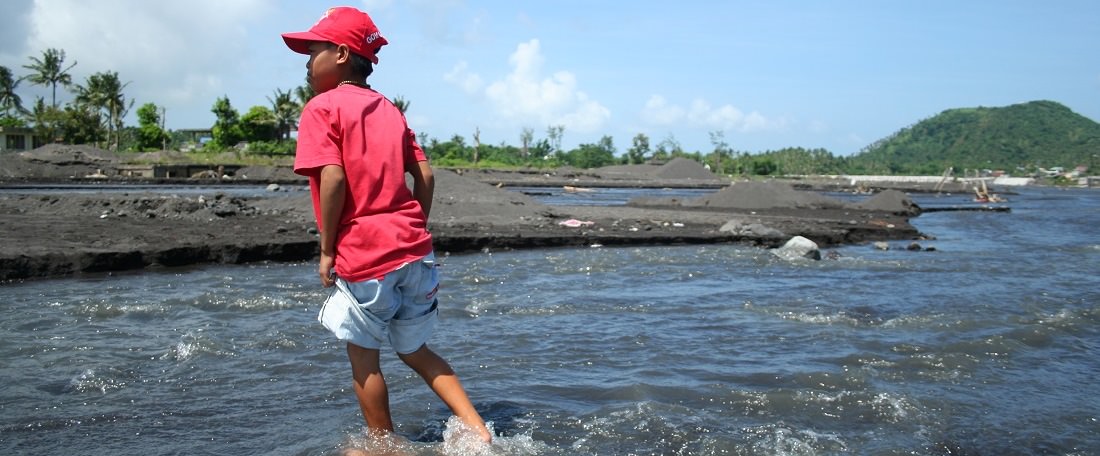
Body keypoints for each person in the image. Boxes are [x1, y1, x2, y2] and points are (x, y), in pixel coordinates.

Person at [281, 6, 491, 443]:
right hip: (416, 250)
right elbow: (426, 176)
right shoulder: (389, 109)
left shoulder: (322, 108)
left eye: (313, 50)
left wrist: (326, 250)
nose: (306, 60)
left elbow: (333, 177)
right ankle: (478, 432)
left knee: (364, 357)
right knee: (415, 348)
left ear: (340, 54)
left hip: (366, 252)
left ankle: (385, 446)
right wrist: (415, 226)